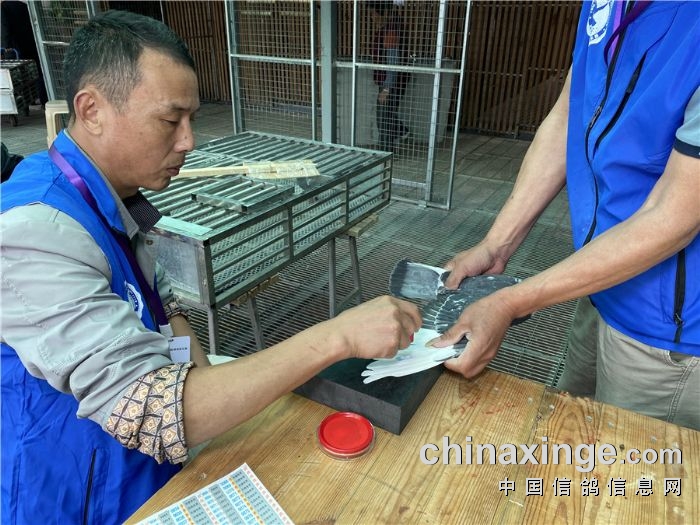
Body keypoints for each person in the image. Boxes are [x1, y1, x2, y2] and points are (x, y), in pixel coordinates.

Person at [0, 11, 422, 524]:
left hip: (141, 474)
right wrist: (338, 337)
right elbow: (154, 412)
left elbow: (164, 306)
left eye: (192, 120)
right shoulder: (36, 231)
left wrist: (206, 387)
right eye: (170, 120)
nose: (189, 141)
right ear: (92, 110)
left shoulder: (112, 192)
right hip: (79, 495)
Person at [430, 0, 700, 430]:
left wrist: (510, 301)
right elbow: (568, 117)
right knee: (568, 427)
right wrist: (496, 245)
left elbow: (674, 216)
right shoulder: (606, 5)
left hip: (669, 329)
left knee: (625, 465)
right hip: (599, 279)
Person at [370, 0, 410, 154]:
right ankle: (399, 134)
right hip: (393, 80)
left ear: (384, 13)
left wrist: (386, 88)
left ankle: (385, 153)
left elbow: (393, 61)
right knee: (388, 114)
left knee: (383, 118)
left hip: (391, 81)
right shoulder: (391, 28)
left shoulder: (391, 30)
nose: (373, 17)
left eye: (374, 14)